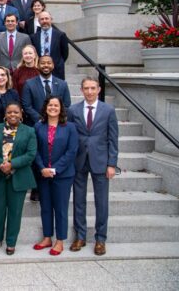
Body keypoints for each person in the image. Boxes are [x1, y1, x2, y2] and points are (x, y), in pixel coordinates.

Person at [68, 77, 119, 256]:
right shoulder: (73, 110)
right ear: (81, 91)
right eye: (86, 89)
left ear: (98, 90)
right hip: (79, 161)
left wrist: (112, 164)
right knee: (79, 201)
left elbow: (113, 139)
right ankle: (80, 236)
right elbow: (70, 135)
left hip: (101, 161)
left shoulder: (108, 110)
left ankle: (100, 239)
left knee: (101, 202)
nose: (89, 92)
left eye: (93, 88)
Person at [0, 102, 37, 256]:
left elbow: (31, 154)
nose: (12, 115)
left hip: (19, 176)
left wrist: (12, 164)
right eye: (9, 112)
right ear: (5, 113)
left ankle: (11, 242)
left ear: (21, 113)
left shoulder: (29, 131)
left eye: (16, 112)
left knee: (15, 212)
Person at [33, 96, 79, 256]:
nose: (53, 108)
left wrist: (55, 169)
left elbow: (72, 151)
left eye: (56, 105)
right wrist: (42, 168)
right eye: (50, 105)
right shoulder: (38, 127)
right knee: (45, 207)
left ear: (61, 108)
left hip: (63, 175)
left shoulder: (70, 127)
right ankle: (47, 237)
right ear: (46, 108)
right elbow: (35, 150)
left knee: (60, 208)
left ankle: (60, 240)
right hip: (43, 173)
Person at [21, 55, 71, 126]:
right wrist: (40, 119)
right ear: (37, 65)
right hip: (35, 125)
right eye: (42, 63)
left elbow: (66, 105)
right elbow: (27, 106)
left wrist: (55, 118)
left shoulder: (63, 84)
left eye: (49, 63)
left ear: (53, 65)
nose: (46, 65)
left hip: (57, 124)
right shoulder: (29, 84)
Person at [30, 11, 69, 80]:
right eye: (42, 19)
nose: (44, 21)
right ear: (39, 21)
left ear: (51, 20)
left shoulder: (60, 35)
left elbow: (65, 54)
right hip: (39, 71)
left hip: (57, 71)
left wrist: (56, 63)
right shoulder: (34, 37)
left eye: (46, 18)